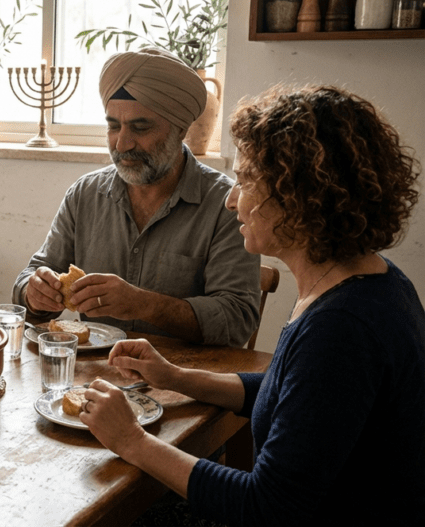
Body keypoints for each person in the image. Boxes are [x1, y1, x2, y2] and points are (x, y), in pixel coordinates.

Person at [79, 85, 425, 525]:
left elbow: (266, 507)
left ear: (297, 194)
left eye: (245, 182)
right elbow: (295, 397)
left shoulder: (342, 330)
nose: (229, 199)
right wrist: (176, 376)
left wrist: (131, 441)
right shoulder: (370, 281)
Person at [13, 47, 261, 346]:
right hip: (95, 377)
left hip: (186, 379)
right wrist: (35, 292)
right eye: (113, 126)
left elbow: (237, 321)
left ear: (181, 129)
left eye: (140, 127)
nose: (122, 143)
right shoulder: (85, 195)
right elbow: (32, 276)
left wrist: (144, 304)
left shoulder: (226, 204)